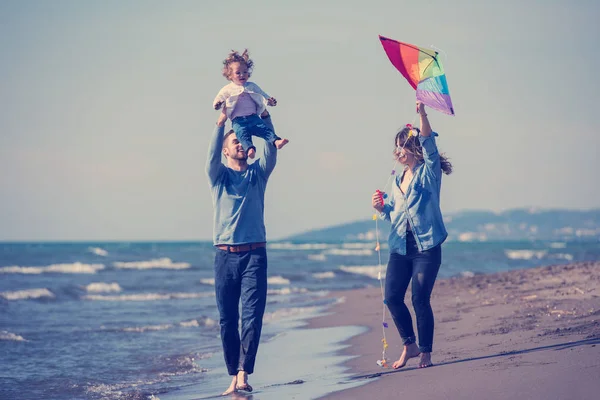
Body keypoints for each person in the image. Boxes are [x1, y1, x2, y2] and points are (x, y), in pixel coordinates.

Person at [372, 102, 453, 369]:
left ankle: (427, 352)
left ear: (414, 149)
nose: (398, 152)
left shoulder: (428, 174)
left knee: (419, 298)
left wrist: (422, 115)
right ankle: (410, 345)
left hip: (426, 246)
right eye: (396, 147)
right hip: (400, 247)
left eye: (403, 146)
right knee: (392, 297)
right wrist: (381, 208)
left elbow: (429, 142)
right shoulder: (396, 182)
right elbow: (394, 217)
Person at [206, 105, 277, 395]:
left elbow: (271, 151)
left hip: (254, 256)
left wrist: (264, 116)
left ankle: (242, 372)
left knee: (251, 316)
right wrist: (221, 123)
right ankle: (233, 372)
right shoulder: (219, 176)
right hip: (224, 256)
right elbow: (210, 155)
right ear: (226, 150)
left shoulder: (257, 174)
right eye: (234, 141)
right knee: (227, 320)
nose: (240, 143)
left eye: (241, 140)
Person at [213, 49, 289, 159]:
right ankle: (250, 149)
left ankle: (276, 141)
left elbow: (262, 95)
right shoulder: (228, 89)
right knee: (242, 135)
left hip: (253, 117)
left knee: (265, 130)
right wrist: (218, 104)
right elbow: (219, 98)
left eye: (245, 72)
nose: (242, 75)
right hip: (238, 120)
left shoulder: (252, 86)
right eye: (238, 73)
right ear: (230, 76)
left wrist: (269, 101)